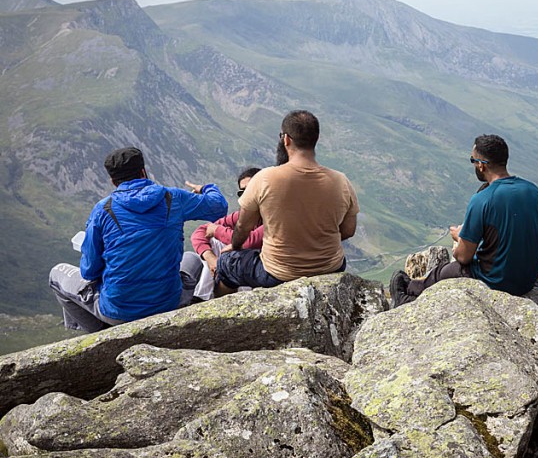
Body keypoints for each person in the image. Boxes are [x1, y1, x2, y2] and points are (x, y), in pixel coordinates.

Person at [49, 147, 228, 332]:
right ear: (143, 172)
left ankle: (100, 333)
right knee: (191, 258)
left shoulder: (102, 210)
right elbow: (219, 206)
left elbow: (89, 271)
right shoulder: (172, 198)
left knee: (56, 274)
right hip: (167, 303)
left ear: (113, 181)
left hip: (118, 310)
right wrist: (206, 188)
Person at [389, 134, 538, 307]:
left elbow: (463, 257)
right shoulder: (533, 191)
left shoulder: (483, 199)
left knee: (445, 271)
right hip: (528, 279)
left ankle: (407, 297)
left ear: (481, 165)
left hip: (498, 282)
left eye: (473, 160)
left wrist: (460, 237)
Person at [215, 110, 359, 292]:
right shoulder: (341, 181)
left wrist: (235, 246)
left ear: (286, 140)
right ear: (316, 139)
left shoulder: (264, 178)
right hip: (331, 267)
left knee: (226, 263)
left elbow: (243, 227)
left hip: (277, 273)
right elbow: (348, 230)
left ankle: (225, 315)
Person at [190, 167, 263, 300]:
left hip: (265, 270)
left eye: (251, 189)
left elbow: (249, 241)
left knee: (234, 250)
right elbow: (200, 232)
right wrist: (211, 258)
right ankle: (201, 298)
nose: (247, 196)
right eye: (242, 193)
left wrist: (217, 230)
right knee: (213, 243)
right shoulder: (241, 216)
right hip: (247, 270)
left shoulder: (274, 216)